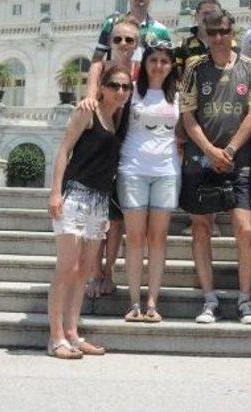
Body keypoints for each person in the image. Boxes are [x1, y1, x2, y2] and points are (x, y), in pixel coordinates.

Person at [179, 9, 251, 325]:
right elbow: (187, 114)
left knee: (244, 229)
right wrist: (209, 149)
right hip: (200, 160)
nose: (218, 38)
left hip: (237, 160)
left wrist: (228, 150)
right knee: (201, 228)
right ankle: (210, 299)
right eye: (212, 32)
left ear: (233, 32)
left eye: (223, 32)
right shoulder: (193, 67)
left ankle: (245, 299)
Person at [47, 65, 132, 358]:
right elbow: (63, 150)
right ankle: (55, 337)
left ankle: (72, 332)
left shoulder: (117, 117)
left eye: (125, 87)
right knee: (66, 268)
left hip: (99, 200)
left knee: (84, 270)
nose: (120, 91)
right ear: (103, 87)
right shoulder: (88, 111)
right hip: (75, 194)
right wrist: (56, 191)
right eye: (115, 86)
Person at [117, 42, 180, 323]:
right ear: (145, 63)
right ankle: (133, 302)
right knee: (135, 239)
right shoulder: (131, 91)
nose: (158, 66)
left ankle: (152, 301)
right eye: (153, 60)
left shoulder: (178, 94)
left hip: (166, 171)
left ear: (171, 66)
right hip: (133, 168)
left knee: (158, 239)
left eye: (164, 61)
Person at [84, 18, 140, 298]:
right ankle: (94, 275)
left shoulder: (141, 72)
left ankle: (108, 273)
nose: (123, 45)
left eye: (129, 40)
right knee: (97, 217)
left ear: (137, 44)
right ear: (109, 42)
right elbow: (89, 103)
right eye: (117, 39)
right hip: (100, 149)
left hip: (128, 150)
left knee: (116, 220)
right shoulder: (100, 68)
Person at [85, 0, 171, 103]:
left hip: (144, 92)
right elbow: (97, 59)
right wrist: (91, 93)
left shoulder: (161, 30)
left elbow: (166, 65)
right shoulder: (111, 23)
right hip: (114, 89)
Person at [175, 0, 237, 76]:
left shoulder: (231, 44)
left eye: (214, 13)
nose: (209, 17)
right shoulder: (182, 46)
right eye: (205, 13)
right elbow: (177, 77)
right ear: (196, 16)